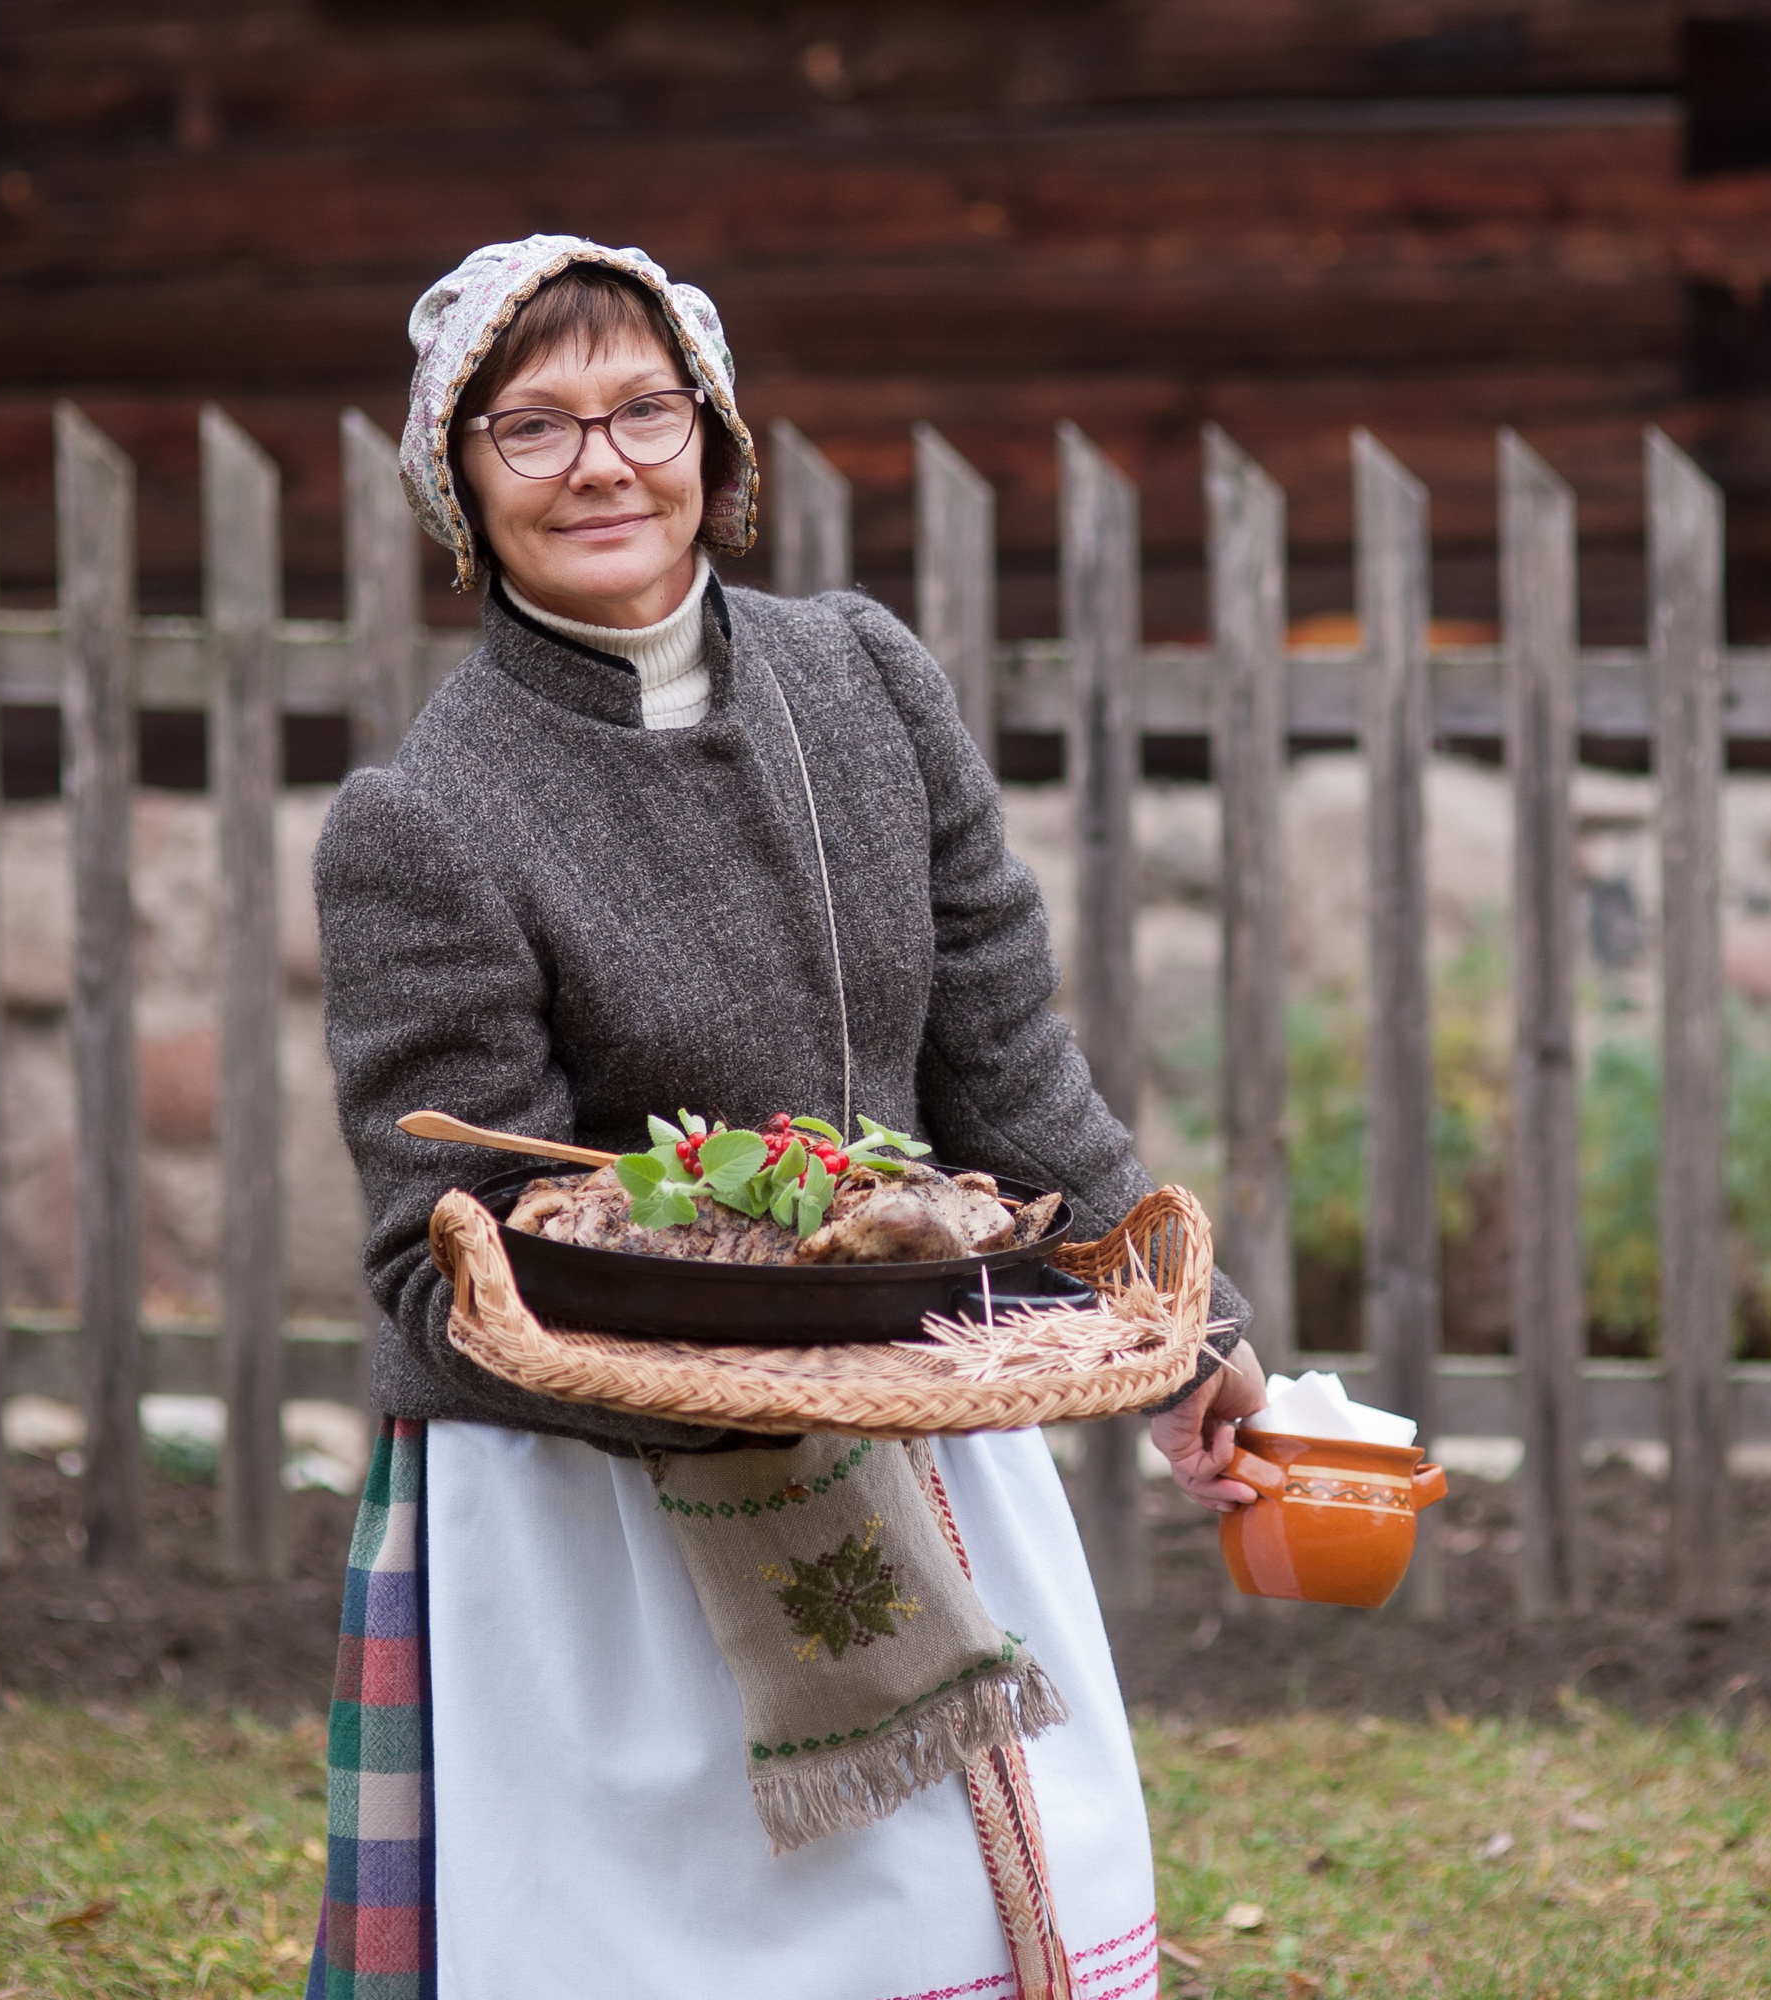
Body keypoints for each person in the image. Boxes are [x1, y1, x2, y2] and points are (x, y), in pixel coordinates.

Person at [305, 234, 1266, 2000]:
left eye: (642, 411)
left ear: (714, 440)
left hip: (929, 1420)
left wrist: (1184, 1331)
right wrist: (734, 1373)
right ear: (462, 488)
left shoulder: (868, 680)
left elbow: (1002, 1058)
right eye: (532, 427)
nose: (600, 464)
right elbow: (437, 1264)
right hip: (607, 1522)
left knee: (983, 1910)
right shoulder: (423, 819)